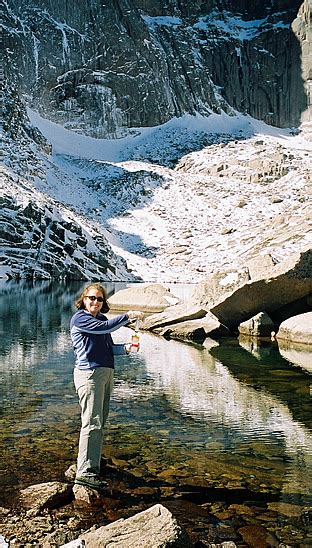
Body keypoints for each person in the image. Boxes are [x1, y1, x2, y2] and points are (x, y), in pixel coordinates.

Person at [70, 282, 144, 490]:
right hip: (89, 375)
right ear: (83, 300)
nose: (95, 302)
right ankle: (85, 473)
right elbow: (105, 328)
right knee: (91, 423)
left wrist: (127, 348)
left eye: (99, 299)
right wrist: (128, 316)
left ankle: (91, 461)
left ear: (103, 303)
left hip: (105, 373)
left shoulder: (100, 318)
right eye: (91, 298)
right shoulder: (81, 319)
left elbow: (109, 348)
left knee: (99, 422)